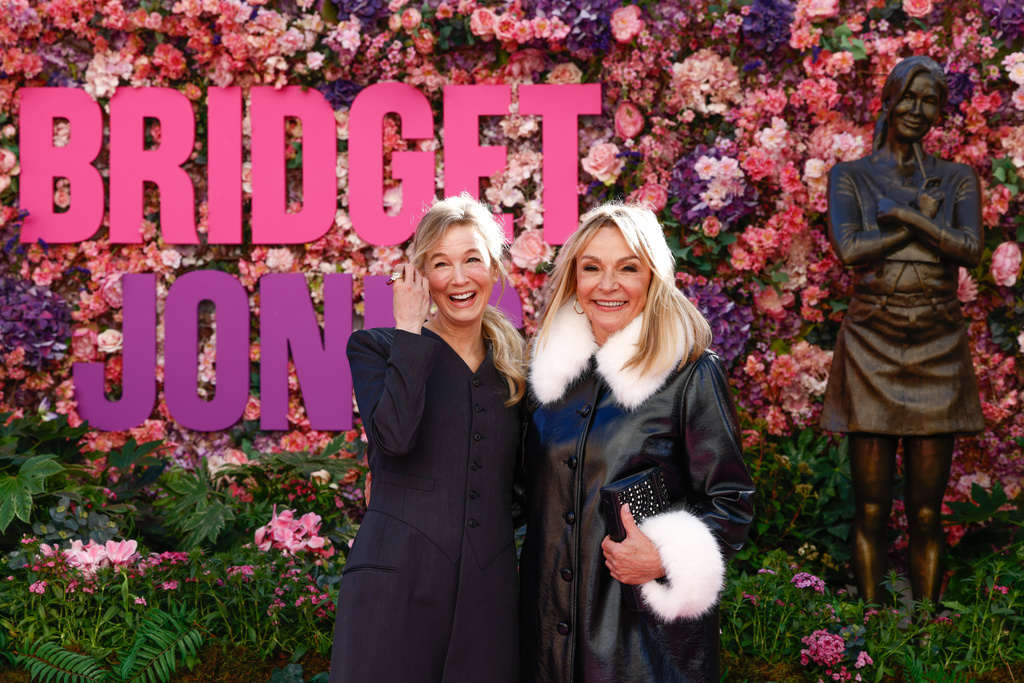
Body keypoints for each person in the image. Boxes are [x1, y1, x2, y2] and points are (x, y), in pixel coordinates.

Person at [518, 203, 755, 683]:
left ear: (653, 279)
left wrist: (667, 556)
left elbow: (731, 500)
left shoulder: (690, 372)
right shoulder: (546, 380)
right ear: (574, 283)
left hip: (644, 650)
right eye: (592, 268)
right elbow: (518, 498)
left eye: (628, 267)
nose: (608, 285)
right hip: (545, 643)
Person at [330, 194, 525, 683]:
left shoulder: (517, 371)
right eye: (442, 264)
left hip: (489, 598)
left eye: (472, 259)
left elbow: (527, 483)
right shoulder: (377, 347)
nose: (459, 278)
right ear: (421, 277)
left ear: (495, 268)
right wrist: (409, 328)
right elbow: (393, 439)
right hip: (395, 588)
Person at [819, 56, 985, 609]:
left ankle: (927, 630)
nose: (918, 109)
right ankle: (871, 629)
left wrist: (906, 215)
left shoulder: (957, 177)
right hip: (872, 343)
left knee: (926, 510)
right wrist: (925, 221)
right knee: (870, 506)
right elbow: (850, 250)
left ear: (940, 110)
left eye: (930, 100)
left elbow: (969, 252)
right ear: (888, 100)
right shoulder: (851, 176)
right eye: (909, 97)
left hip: (938, 342)